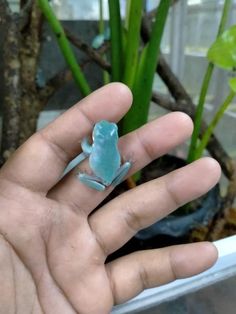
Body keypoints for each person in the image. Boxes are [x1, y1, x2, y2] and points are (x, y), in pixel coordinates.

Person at [0, 83, 220, 314]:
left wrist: (84, 145)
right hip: (113, 173)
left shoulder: (93, 146)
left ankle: (92, 177)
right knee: (118, 171)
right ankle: (115, 172)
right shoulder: (108, 144)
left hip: (98, 176)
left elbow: (86, 147)